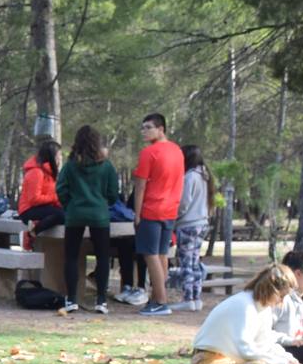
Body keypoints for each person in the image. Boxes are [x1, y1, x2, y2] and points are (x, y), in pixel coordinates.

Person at [190, 264, 303, 364]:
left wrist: (291, 361)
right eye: (281, 296)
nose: (281, 302)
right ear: (272, 290)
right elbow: (246, 350)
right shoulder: (244, 305)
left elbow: (266, 344)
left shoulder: (263, 308)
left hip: (234, 363)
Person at [55, 125, 120, 314]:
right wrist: (103, 203)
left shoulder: (70, 165)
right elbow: (113, 193)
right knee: (102, 257)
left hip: (75, 214)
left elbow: (61, 189)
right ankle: (101, 300)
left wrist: (69, 205)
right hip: (99, 215)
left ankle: (72, 299)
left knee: (72, 257)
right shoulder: (106, 166)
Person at [132, 112, 183, 315]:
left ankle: (161, 301)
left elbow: (140, 186)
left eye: (148, 127)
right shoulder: (177, 151)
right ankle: (157, 297)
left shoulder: (149, 153)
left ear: (161, 129)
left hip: (152, 210)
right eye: (143, 128)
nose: (144, 131)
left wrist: (137, 214)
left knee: (150, 254)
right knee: (161, 254)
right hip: (170, 210)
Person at [172, 144, 210, 311]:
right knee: (194, 262)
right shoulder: (204, 176)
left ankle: (188, 297)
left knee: (186, 262)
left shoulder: (189, 177)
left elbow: (184, 203)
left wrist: (175, 216)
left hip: (188, 224)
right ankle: (196, 296)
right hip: (201, 223)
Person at [17, 140, 63, 243]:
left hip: (41, 209)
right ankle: (30, 234)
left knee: (67, 215)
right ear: (52, 156)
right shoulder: (36, 172)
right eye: (59, 155)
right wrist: (55, 198)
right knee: (61, 215)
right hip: (28, 211)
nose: (60, 158)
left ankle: (36, 224)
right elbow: (34, 199)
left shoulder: (49, 173)